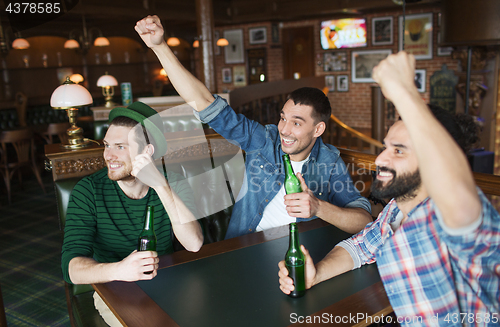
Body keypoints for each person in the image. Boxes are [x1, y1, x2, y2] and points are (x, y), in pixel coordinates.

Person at [278, 51, 500, 326]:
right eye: (386, 147)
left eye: (399, 151)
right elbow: (358, 248)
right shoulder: (394, 212)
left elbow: (456, 191)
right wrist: (317, 273)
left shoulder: (455, 216)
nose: (381, 159)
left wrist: (404, 91)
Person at [135, 15, 373, 240]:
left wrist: (319, 207)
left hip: (298, 252)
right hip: (246, 249)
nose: (284, 129)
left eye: (297, 122)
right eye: (283, 118)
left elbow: (363, 219)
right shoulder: (265, 140)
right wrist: (160, 47)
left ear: (318, 129)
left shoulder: (329, 162)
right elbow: (207, 105)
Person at [61, 102, 203, 325]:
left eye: (120, 146)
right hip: (115, 288)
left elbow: (194, 243)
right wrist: (121, 269)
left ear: (147, 151)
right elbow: (72, 269)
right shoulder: (88, 191)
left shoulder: (172, 182)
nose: (108, 155)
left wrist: (161, 186)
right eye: (107, 145)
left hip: (170, 280)